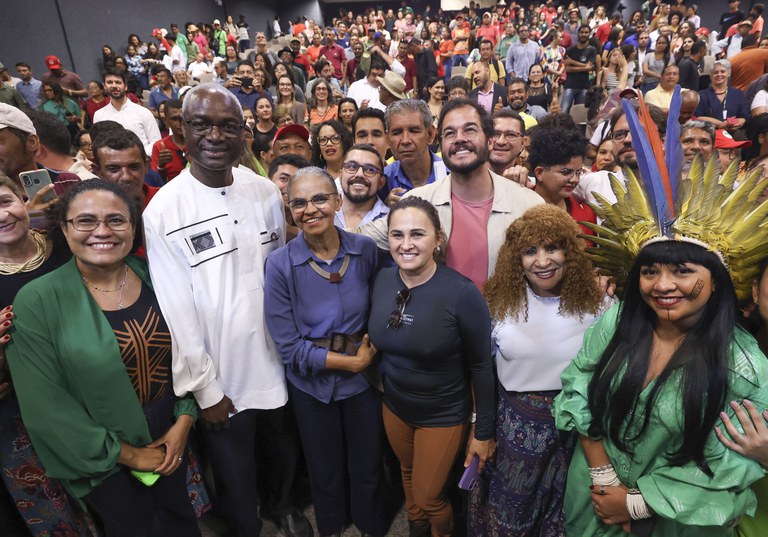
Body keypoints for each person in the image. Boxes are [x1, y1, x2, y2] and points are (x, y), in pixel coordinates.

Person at [552, 92, 768, 536]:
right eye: (650, 271)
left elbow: (730, 464)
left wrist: (636, 504)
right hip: (593, 501)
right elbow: (578, 387)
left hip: (678, 522)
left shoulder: (745, 368)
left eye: (683, 271)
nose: (663, 285)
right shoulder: (618, 321)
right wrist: (604, 478)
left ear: (718, 281)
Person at [7, 179, 201, 536]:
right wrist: (131, 455)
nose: (102, 231)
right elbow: (47, 407)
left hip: (169, 430)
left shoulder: (156, 277)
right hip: (100, 451)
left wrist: (184, 420)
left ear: (132, 227)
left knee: (182, 522)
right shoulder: (37, 301)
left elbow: (188, 353)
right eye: (85, 221)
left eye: (116, 220)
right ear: (64, 229)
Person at [143, 84, 290, 537]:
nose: (215, 136)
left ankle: (283, 508)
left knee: (282, 451)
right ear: (181, 130)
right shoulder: (164, 209)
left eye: (228, 126)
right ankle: (246, 526)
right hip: (222, 373)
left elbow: (283, 274)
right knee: (234, 468)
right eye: (201, 124)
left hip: (278, 358)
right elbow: (176, 309)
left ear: (244, 133)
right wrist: (204, 388)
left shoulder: (264, 191)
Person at [469, 204, 607, 536]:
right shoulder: (499, 304)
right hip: (517, 428)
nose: (542, 261)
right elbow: (481, 370)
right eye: (530, 251)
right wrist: (479, 430)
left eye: (552, 248)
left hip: (579, 430)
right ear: (516, 258)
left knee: (568, 514)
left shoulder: (600, 302)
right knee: (512, 515)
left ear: (570, 251)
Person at [264, 166, 386, 537]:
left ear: (336, 200)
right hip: (311, 385)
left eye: (319, 198)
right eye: (298, 203)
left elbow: (385, 304)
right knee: (323, 465)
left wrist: (368, 354)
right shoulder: (280, 264)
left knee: (367, 462)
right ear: (289, 209)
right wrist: (347, 362)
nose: (310, 209)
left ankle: (370, 525)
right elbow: (288, 346)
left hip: (364, 380)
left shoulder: (365, 250)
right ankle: (332, 527)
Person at [368, 196, 495, 537]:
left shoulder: (461, 293)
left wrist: (482, 432)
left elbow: (482, 366)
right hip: (394, 405)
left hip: (442, 414)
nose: (406, 245)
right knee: (407, 473)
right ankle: (417, 530)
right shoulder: (381, 280)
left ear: (438, 238)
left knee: (429, 495)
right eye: (397, 235)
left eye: (417, 234)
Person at [359, 99, 544, 290]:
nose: (459, 138)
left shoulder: (528, 205)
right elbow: (356, 240)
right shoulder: (417, 203)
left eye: (470, 130)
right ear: (440, 144)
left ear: (489, 139)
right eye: (449, 133)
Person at [527, 124, 596, 234]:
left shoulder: (587, 216)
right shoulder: (518, 208)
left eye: (578, 173)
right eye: (566, 172)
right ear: (539, 173)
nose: (574, 179)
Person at [382, 99, 448, 205]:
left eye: (414, 131)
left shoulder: (453, 175)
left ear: (430, 134)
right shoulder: (383, 182)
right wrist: (384, 210)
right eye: (397, 132)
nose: (405, 140)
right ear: (388, 139)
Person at [94, 70, 160, 155]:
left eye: (118, 82)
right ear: (105, 86)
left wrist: (139, 156)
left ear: (125, 86)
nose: (114, 86)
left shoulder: (143, 112)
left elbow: (156, 140)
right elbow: (99, 145)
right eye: (110, 82)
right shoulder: (99, 115)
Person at [335, 144, 389, 228]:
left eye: (370, 169)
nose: (359, 174)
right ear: (340, 175)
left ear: (381, 182)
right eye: (352, 166)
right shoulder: (324, 213)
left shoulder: (390, 221)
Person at [696, 60, 749, 132]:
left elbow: (744, 117)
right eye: (715, 72)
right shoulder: (702, 95)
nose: (719, 74)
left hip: (733, 134)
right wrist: (721, 124)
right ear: (711, 76)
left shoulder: (738, 94)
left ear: (728, 74)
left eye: (722, 71)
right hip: (709, 133)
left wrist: (735, 123)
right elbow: (698, 117)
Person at [561, 25, 597, 114]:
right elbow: (568, 69)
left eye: (586, 32)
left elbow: (590, 67)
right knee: (563, 113)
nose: (583, 34)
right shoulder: (570, 50)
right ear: (578, 34)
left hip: (584, 87)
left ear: (589, 34)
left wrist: (572, 61)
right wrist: (585, 67)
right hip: (569, 85)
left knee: (579, 115)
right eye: (581, 32)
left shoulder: (592, 50)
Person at [150, 99, 186, 182]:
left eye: (182, 118)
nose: (179, 123)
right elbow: (156, 183)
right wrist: (161, 167)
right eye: (174, 119)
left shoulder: (197, 143)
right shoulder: (160, 146)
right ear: (166, 121)